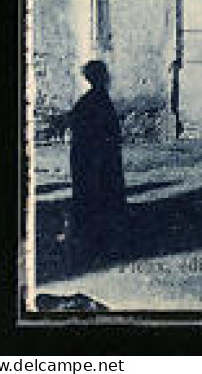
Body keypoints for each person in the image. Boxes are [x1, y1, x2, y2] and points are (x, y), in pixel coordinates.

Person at [68, 61, 125, 268]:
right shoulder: (97, 100)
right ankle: (97, 246)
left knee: (94, 201)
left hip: (92, 159)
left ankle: (95, 244)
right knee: (99, 200)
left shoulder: (91, 100)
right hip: (97, 161)